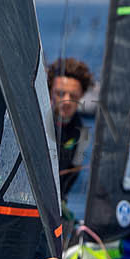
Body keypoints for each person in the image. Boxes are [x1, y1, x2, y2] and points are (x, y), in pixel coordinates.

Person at [47, 57, 93, 203]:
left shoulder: (82, 133)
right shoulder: (35, 122)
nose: (67, 101)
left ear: (81, 96)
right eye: (60, 93)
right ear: (50, 92)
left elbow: (70, 178)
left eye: (73, 96)